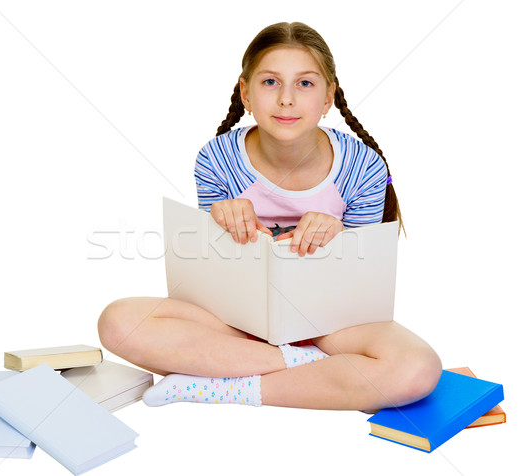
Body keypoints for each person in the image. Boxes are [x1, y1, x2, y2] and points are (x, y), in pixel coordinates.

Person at [98, 21, 442, 411]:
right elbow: (209, 276)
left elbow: (363, 287)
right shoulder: (217, 158)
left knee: (416, 369)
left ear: (329, 96)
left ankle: (221, 386)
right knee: (117, 321)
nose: (287, 100)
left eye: (306, 84)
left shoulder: (363, 166)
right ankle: (313, 369)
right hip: (239, 321)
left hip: (334, 325)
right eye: (270, 82)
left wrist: (342, 233)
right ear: (245, 92)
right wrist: (220, 221)